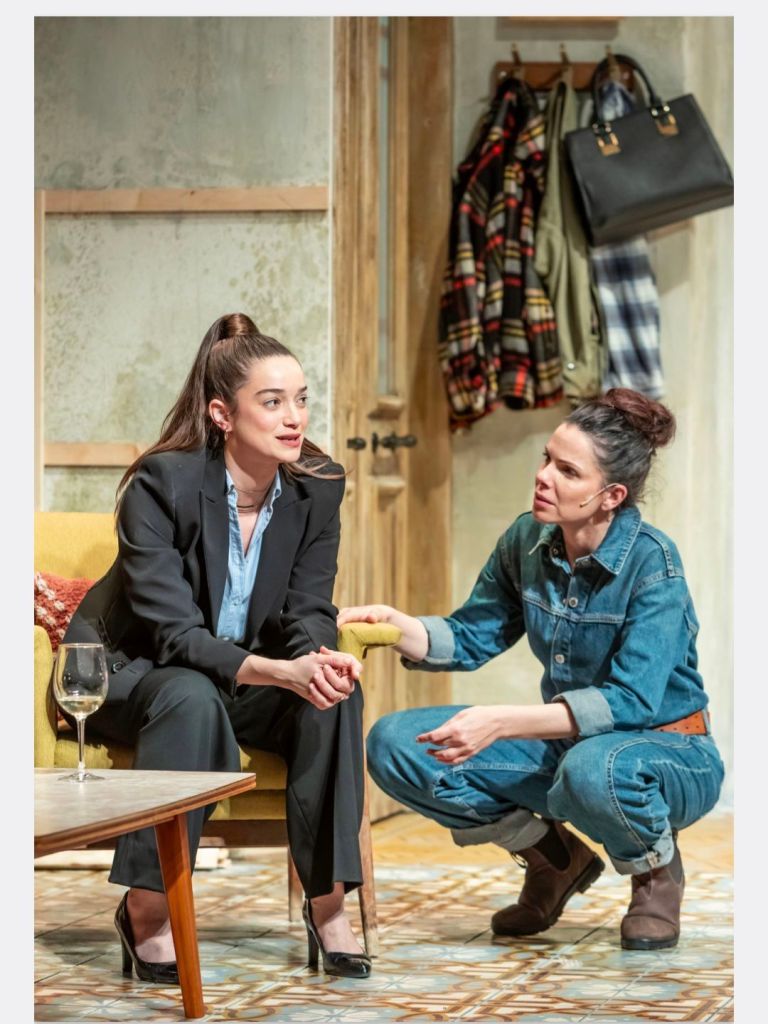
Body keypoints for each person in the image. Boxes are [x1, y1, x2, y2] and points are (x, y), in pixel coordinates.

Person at [339, 388, 724, 951]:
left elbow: (630, 702)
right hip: (574, 748)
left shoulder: (653, 565)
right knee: (397, 744)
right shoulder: (527, 540)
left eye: (568, 471)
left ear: (611, 496)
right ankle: (554, 861)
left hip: (669, 752)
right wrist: (398, 626)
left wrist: (500, 722)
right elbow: (472, 634)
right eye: (547, 459)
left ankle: (656, 874)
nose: (543, 476)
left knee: (595, 768)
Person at [65, 312, 372, 981]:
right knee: (191, 696)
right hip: (132, 668)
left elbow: (307, 607)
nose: (294, 417)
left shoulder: (318, 484)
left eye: (301, 399)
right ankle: (147, 908)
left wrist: (316, 660)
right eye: (273, 402)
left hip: (234, 672)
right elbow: (173, 634)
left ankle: (329, 905)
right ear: (222, 414)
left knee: (334, 697)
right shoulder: (162, 484)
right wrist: (275, 670)